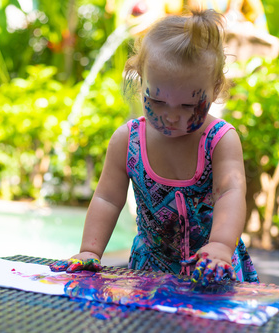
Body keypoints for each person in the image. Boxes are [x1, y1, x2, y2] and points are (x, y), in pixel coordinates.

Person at [51, 8, 258, 286]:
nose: (172, 116)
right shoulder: (128, 140)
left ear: (216, 87)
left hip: (212, 270)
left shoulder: (219, 140)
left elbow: (230, 192)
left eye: (188, 105)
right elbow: (107, 199)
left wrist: (221, 245)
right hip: (148, 275)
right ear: (141, 82)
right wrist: (90, 250)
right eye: (158, 101)